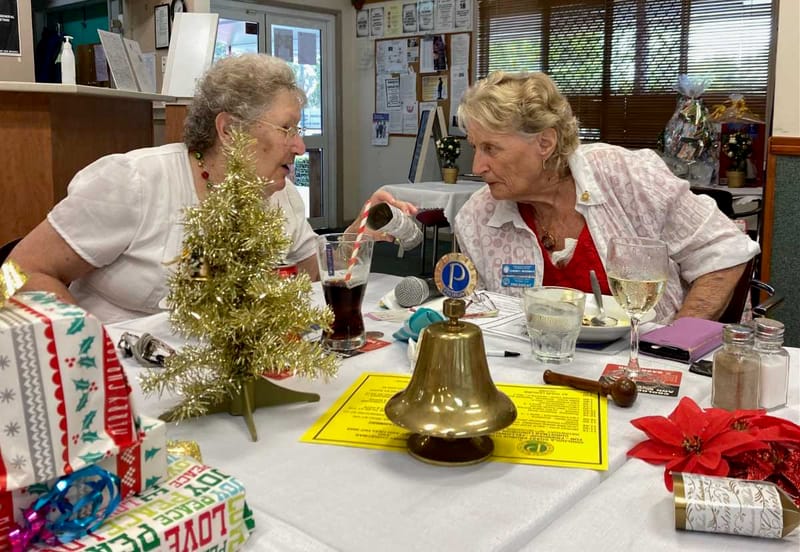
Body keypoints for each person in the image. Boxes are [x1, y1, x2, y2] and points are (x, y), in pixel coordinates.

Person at [9, 54, 413, 324]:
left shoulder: (279, 195)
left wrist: (354, 234)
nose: (300, 146)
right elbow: (20, 271)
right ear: (229, 129)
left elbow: (314, 279)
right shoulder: (134, 183)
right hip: (118, 385)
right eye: (287, 128)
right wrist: (85, 353)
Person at [453, 71, 759, 323]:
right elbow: (480, 319)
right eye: (474, 147)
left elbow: (724, 249)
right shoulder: (477, 218)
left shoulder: (625, 175)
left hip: (647, 365)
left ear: (544, 143)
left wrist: (676, 344)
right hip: (541, 375)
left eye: (491, 149)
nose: (477, 166)